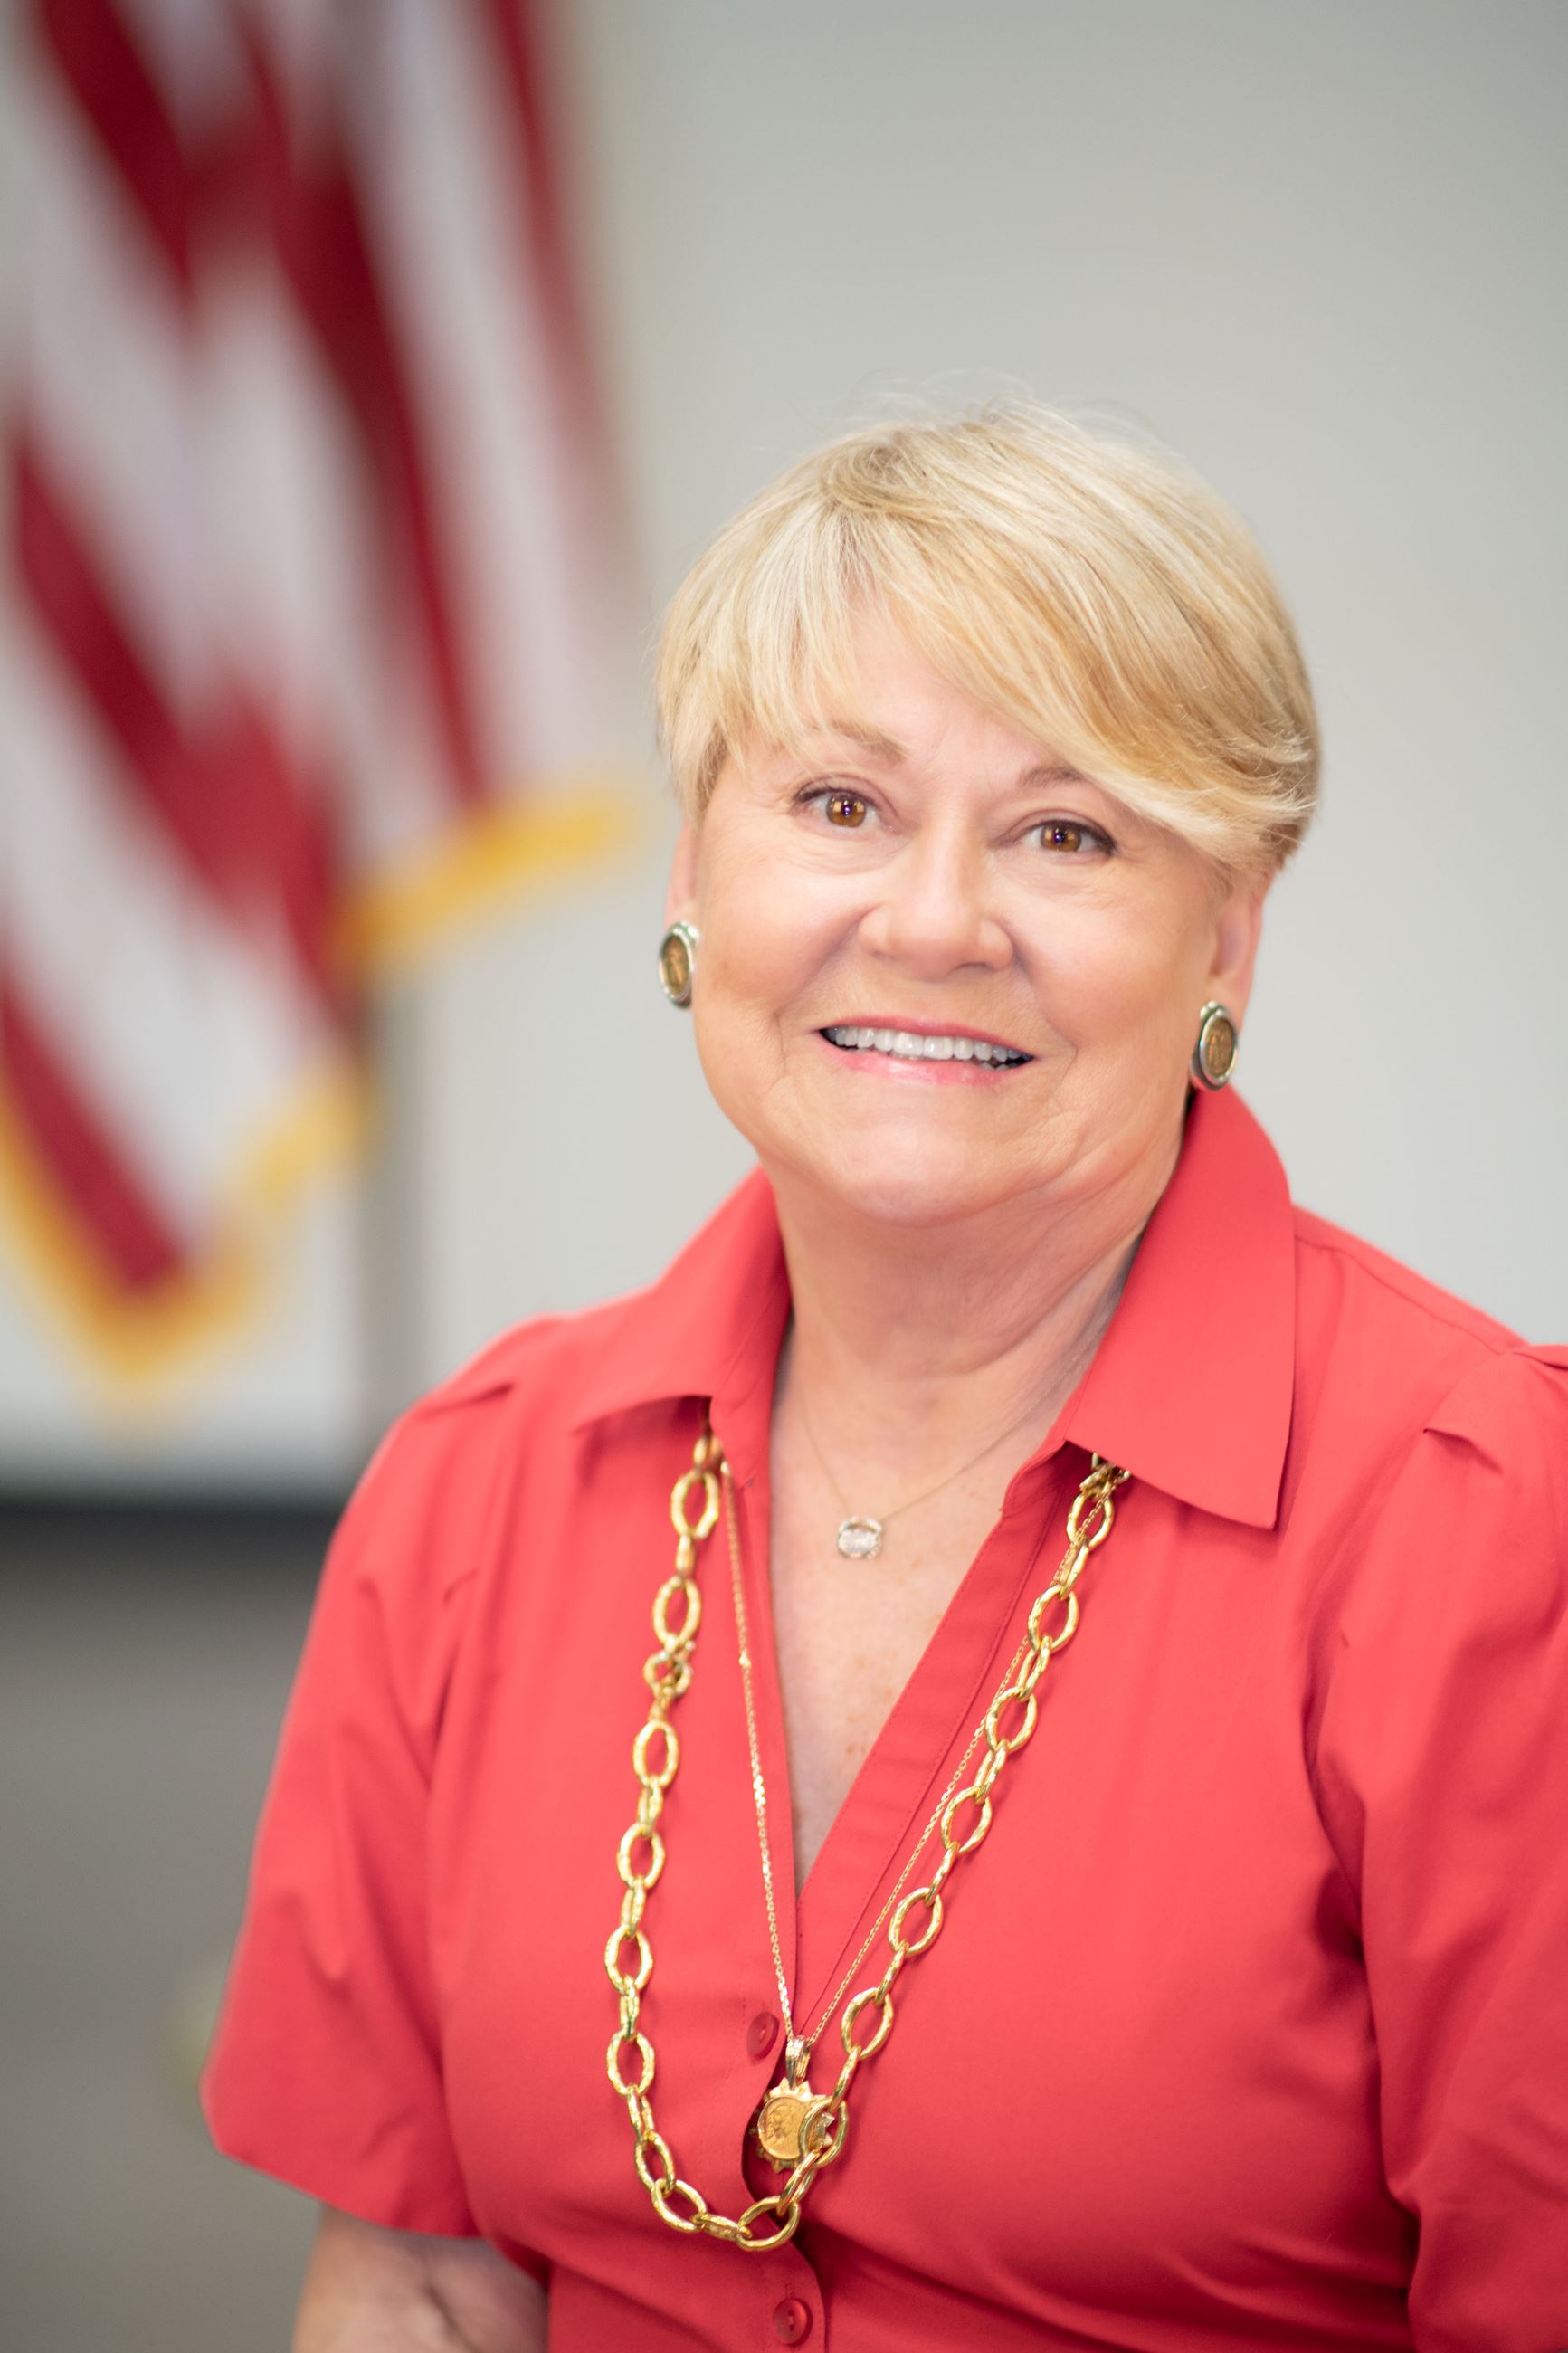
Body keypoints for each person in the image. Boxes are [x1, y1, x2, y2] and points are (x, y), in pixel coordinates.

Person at [202, 408, 1568, 2352]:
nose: (930, 920)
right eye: (837, 804)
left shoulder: (1483, 1524)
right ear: (693, 875)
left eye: (1066, 831)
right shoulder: (475, 1488)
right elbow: (423, 2268)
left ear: (1227, 943)